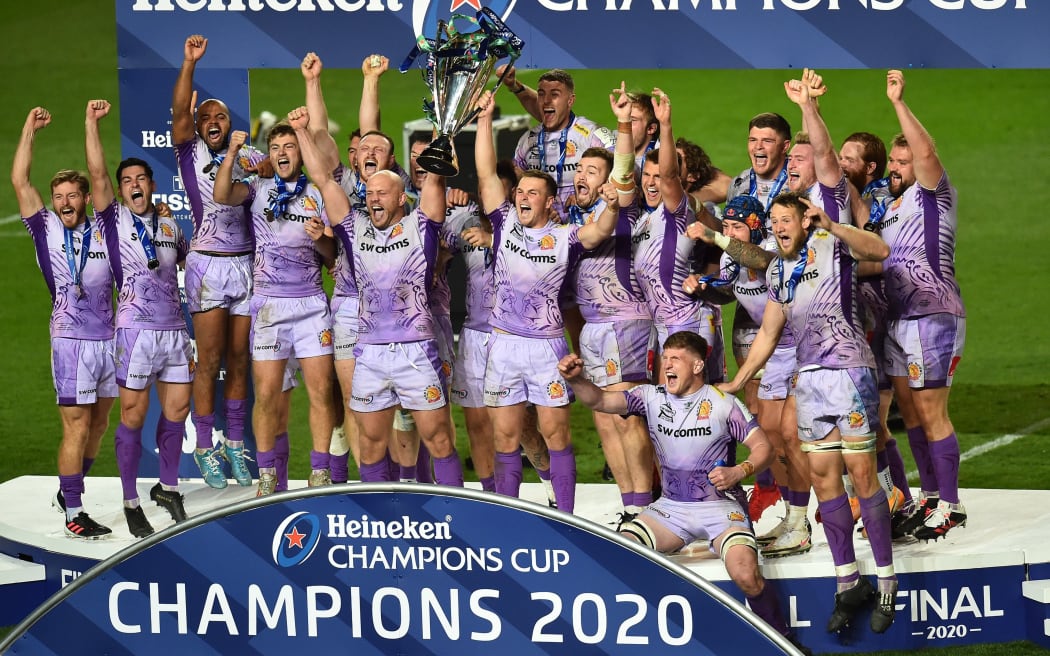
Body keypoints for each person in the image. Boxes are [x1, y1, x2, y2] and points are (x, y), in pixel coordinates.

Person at [557, 331, 810, 656]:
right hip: (670, 510)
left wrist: (739, 471)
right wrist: (576, 380)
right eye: (665, 358)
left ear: (698, 365)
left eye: (676, 359)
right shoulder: (650, 397)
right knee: (618, 552)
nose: (667, 365)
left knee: (746, 574)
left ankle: (785, 644)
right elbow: (600, 401)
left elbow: (764, 447)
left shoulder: (723, 404)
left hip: (721, 509)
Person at [713, 191, 897, 634]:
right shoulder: (777, 270)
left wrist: (832, 225)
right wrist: (739, 381)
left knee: (862, 475)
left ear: (803, 221)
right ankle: (847, 581)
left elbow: (880, 250)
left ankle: (887, 581)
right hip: (809, 380)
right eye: (773, 221)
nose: (779, 227)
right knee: (823, 478)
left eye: (785, 219)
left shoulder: (832, 246)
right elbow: (768, 332)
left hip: (849, 374)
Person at [290, 105, 466, 488]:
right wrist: (302, 132)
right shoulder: (354, 228)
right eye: (370, 194)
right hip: (369, 352)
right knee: (370, 444)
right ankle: (381, 511)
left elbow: (436, 178)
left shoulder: (421, 226)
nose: (373, 199)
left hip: (416, 351)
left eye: (382, 193)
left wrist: (443, 125)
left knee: (438, 438)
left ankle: (455, 508)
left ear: (401, 198)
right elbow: (323, 179)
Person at [477, 88, 619, 514]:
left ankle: (566, 517)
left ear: (549, 201)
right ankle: (507, 514)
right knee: (505, 437)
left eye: (532, 193)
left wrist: (612, 207)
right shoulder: (503, 222)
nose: (522, 197)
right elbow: (485, 175)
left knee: (556, 435)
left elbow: (599, 232)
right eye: (520, 191)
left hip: (546, 349)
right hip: (503, 344)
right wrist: (484, 120)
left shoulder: (564, 237)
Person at [85, 99, 193, 538]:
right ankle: (131, 501)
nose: (134, 185)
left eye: (140, 179)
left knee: (178, 409)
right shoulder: (113, 220)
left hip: (174, 331)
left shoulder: (169, 225)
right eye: (126, 180)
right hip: (134, 332)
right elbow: (96, 174)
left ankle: (168, 488)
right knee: (133, 413)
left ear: (152, 185)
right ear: (121, 189)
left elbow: (184, 262)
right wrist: (91, 123)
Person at [685, 194, 812, 559]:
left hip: (803, 348)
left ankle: (802, 521)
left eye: (736, 227)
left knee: (791, 434)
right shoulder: (730, 256)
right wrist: (705, 286)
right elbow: (729, 289)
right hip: (773, 352)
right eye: (725, 226)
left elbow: (759, 261)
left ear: (755, 228)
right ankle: (792, 518)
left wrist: (715, 236)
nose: (729, 233)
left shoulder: (774, 249)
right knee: (770, 437)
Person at [213, 120, 336, 495]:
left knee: (321, 391)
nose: (283, 153)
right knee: (266, 395)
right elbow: (221, 194)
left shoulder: (318, 194)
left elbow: (332, 257)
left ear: (300, 153)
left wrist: (321, 238)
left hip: (311, 305)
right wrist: (232, 153)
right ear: (269, 154)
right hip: (269, 306)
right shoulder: (257, 187)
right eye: (276, 148)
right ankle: (267, 475)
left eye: (290, 146)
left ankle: (320, 472)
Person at [13, 107, 116, 539]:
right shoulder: (46, 229)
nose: (65, 203)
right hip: (70, 341)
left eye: (73, 195)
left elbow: (101, 175)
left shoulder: (106, 228)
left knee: (99, 424)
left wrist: (91, 124)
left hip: (109, 339)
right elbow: (21, 181)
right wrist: (29, 130)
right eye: (59, 197)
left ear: (85, 199)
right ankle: (74, 511)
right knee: (76, 425)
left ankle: (67, 488)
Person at [172, 34, 265, 489]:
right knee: (208, 360)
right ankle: (205, 447)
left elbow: (277, 173)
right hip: (208, 265)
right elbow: (179, 113)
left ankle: (235, 444)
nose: (213, 121)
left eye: (220, 116)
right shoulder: (189, 151)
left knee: (240, 360)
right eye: (205, 116)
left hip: (245, 265)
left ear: (230, 124)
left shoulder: (250, 156)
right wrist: (189, 63)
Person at [878, 70, 967, 542]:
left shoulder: (933, 193)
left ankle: (951, 505)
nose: (896, 167)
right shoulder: (891, 209)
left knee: (932, 411)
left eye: (903, 160)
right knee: (910, 413)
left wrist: (898, 103)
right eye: (892, 161)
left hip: (933, 315)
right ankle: (930, 498)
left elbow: (927, 152)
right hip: (898, 320)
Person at [570, 84, 654, 523]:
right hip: (594, 327)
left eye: (591, 171)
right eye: (579, 169)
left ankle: (647, 509)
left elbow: (624, 173)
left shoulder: (622, 205)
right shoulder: (574, 216)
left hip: (626, 324)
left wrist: (622, 123)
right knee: (603, 417)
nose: (581, 176)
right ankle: (630, 508)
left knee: (627, 417)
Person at [630, 88, 724, 386]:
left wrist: (666, 126)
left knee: (687, 402)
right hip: (663, 325)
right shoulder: (644, 220)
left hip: (686, 320)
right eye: (647, 175)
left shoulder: (677, 211)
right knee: (667, 405)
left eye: (658, 176)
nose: (651, 182)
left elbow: (671, 177)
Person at [509, 69, 616, 219]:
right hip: (543, 224)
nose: (546, 101)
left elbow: (622, 170)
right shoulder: (527, 141)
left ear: (570, 101)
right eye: (541, 94)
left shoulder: (591, 134)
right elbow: (515, 187)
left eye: (554, 95)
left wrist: (584, 196)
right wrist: (539, 208)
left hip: (584, 222)